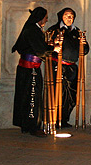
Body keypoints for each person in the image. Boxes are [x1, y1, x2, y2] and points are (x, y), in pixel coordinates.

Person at [12, 7, 57, 137]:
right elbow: (40, 50)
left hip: (29, 68)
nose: (47, 19)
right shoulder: (32, 30)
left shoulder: (33, 29)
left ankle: (26, 124)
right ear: (40, 17)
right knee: (33, 96)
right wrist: (54, 49)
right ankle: (33, 126)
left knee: (27, 96)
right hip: (30, 69)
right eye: (45, 17)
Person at [47, 8, 89, 128]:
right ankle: (55, 120)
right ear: (61, 17)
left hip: (72, 68)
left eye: (71, 16)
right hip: (58, 66)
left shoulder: (77, 32)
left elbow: (85, 50)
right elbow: (47, 47)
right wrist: (54, 43)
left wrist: (83, 43)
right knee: (58, 94)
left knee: (71, 95)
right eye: (66, 16)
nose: (69, 18)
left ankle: (64, 119)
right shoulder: (54, 30)